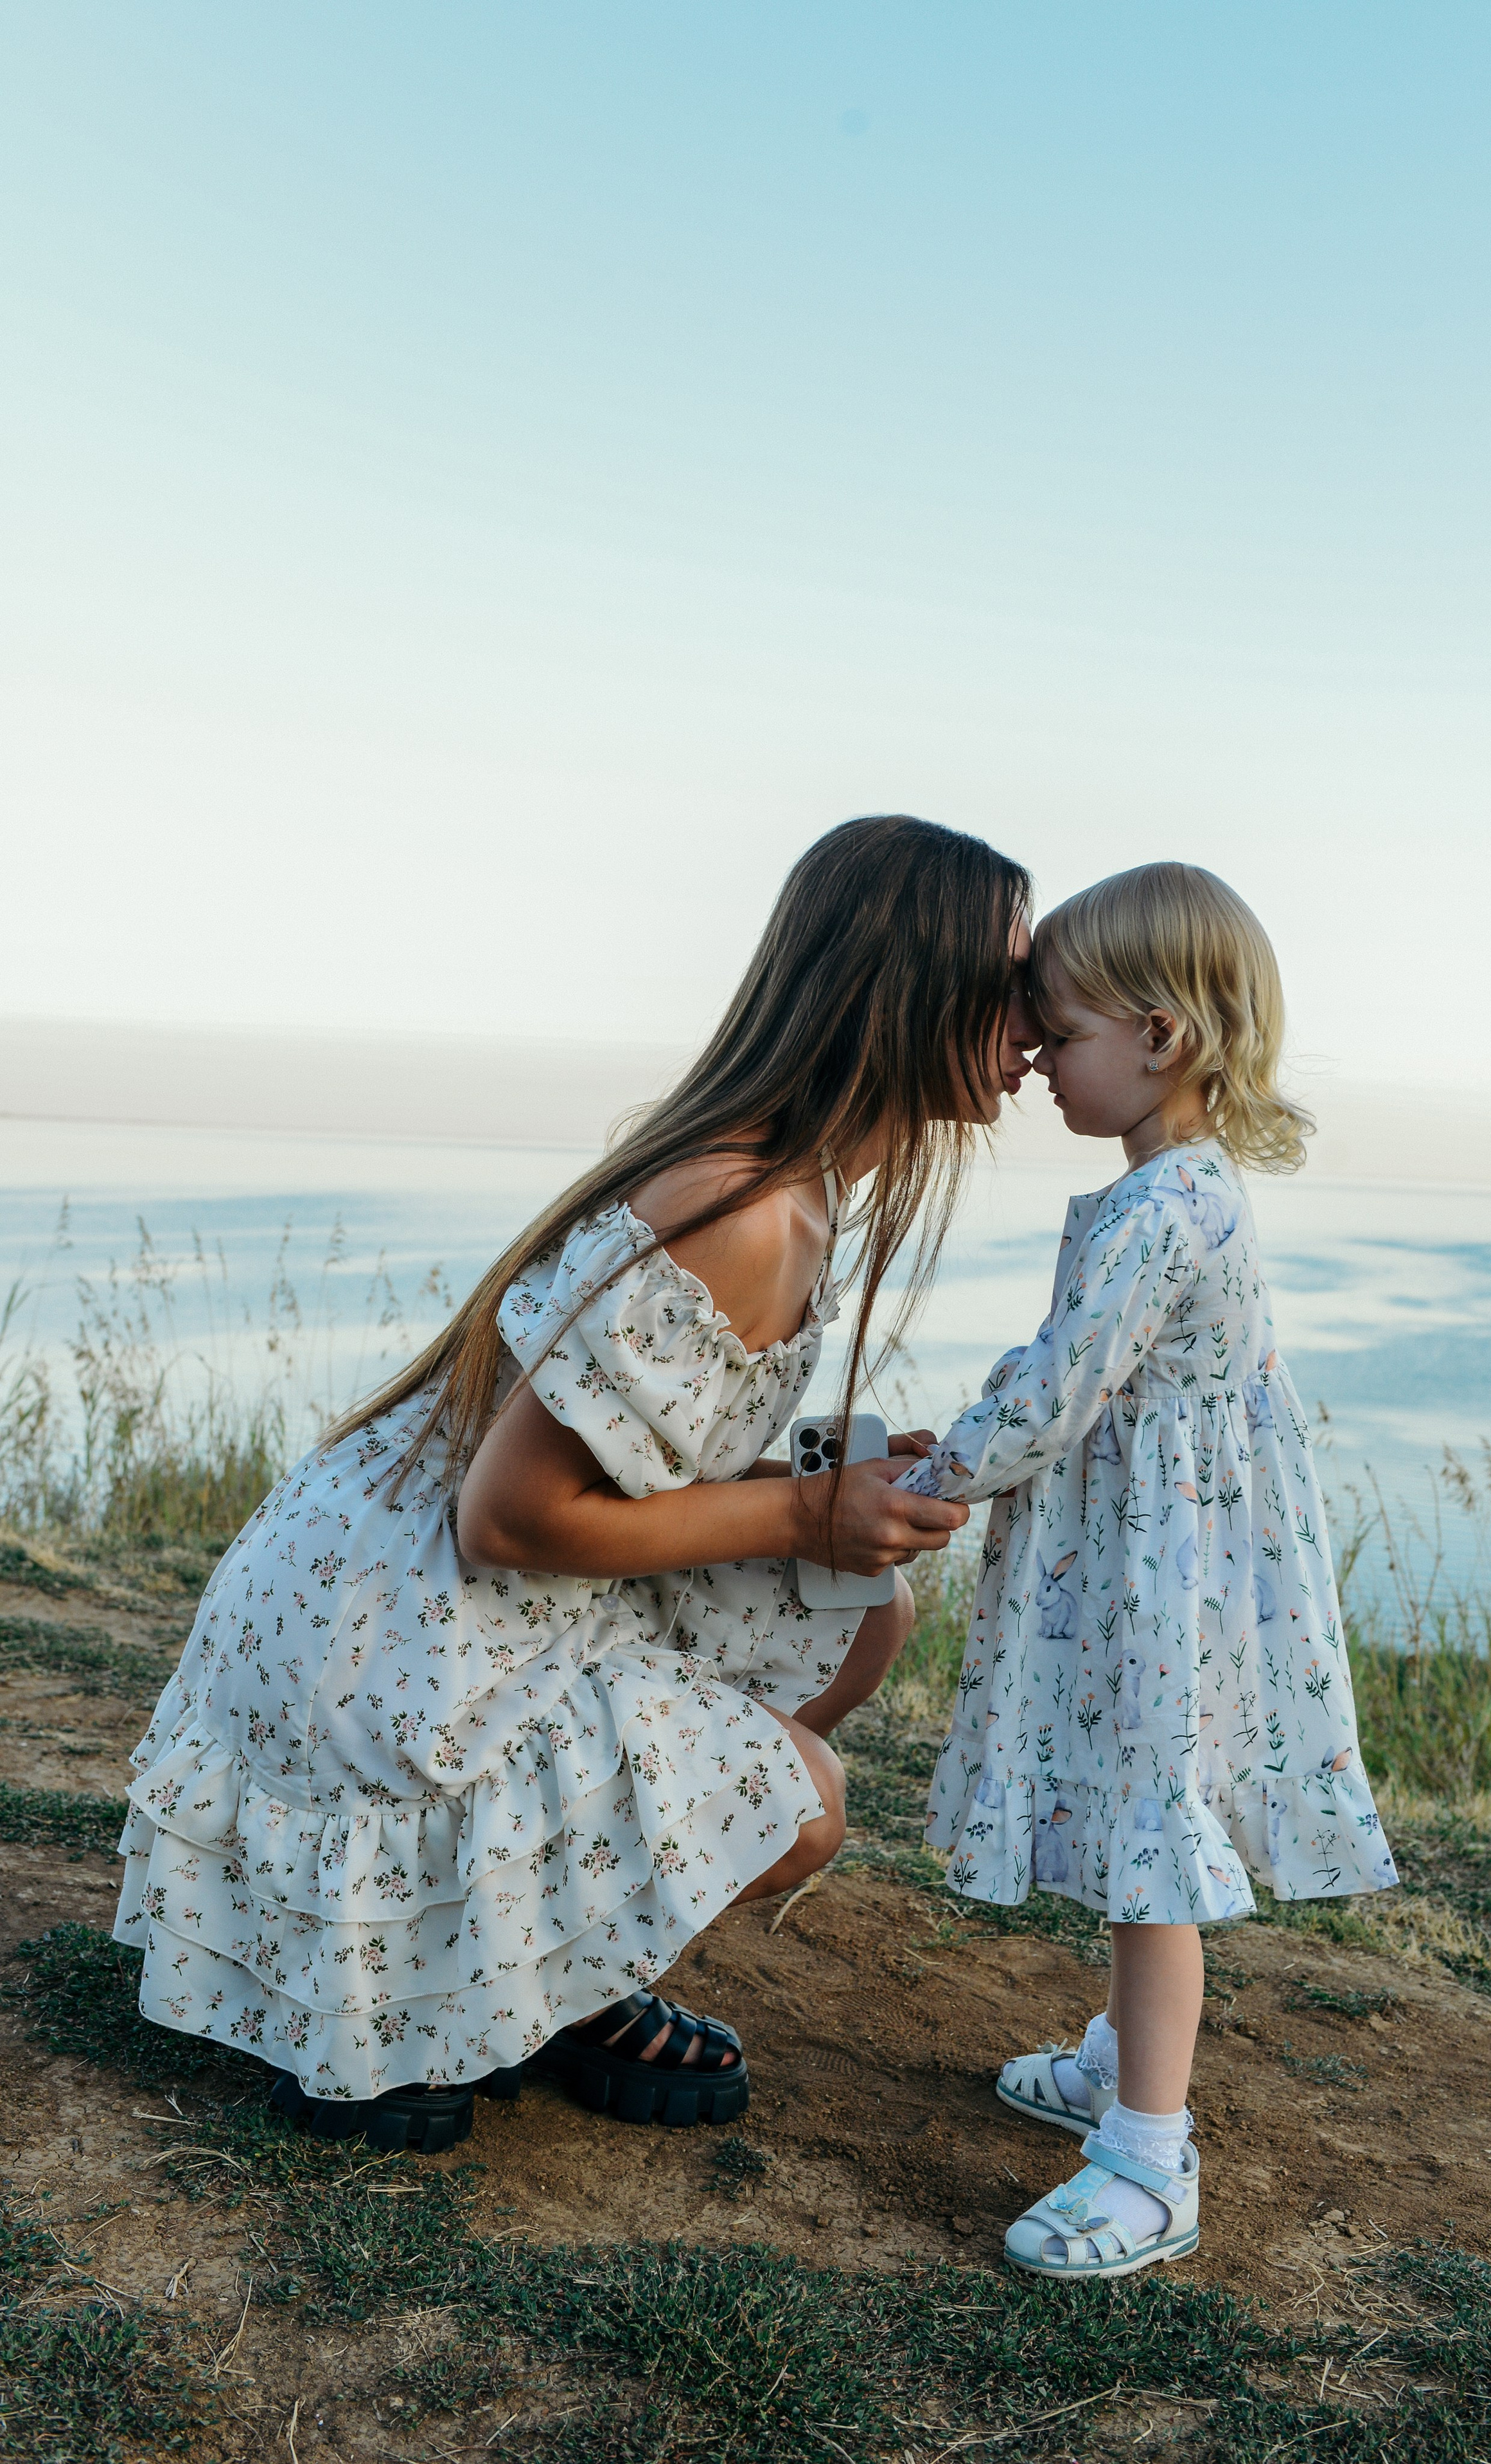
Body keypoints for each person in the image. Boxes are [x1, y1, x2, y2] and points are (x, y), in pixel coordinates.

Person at [115, 815, 1036, 2153]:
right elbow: (509, 1514)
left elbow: (624, 1454)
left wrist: (812, 1498)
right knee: (808, 1798)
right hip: (394, 1652)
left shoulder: (782, 1182)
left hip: (390, 1604)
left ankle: (533, 1972)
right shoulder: (747, 1205)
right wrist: (800, 1510)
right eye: (1008, 984)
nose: (1033, 1019)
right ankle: (424, 2003)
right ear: (914, 991)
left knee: (862, 1607)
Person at [898, 861, 1397, 2280]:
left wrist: (929, 1480)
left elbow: (1058, 1393)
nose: (1038, 1063)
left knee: (1150, 1847)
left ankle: (1145, 2155)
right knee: (1141, 1813)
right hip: (1168, 1558)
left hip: (1155, 1577)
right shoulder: (1178, 1188)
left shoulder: (1163, 1210)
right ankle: (1124, 2044)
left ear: (1162, 1037)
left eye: (1059, 1035)